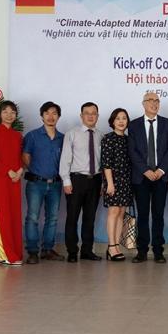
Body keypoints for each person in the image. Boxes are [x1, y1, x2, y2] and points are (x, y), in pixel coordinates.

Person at [128, 92, 168, 263]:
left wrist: (161, 170)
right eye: (150, 100)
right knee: (142, 215)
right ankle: (141, 251)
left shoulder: (167, 124)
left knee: (158, 215)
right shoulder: (133, 125)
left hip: (160, 177)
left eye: (157, 101)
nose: (154, 103)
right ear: (143, 104)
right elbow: (132, 151)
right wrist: (145, 170)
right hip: (141, 178)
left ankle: (158, 250)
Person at [59, 102, 104, 263]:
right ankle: (72, 251)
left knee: (90, 218)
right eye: (87, 113)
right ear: (81, 116)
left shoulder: (101, 135)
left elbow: (103, 162)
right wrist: (66, 180)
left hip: (96, 180)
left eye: (94, 113)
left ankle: (87, 250)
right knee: (72, 217)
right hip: (76, 180)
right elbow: (65, 158)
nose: (90, 116)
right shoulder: (72, 134)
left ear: (97, 116)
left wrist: (103, 183)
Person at [22, 101, 65, 264]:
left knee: (52, 218)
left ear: (58, 117)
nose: (50, 116)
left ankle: (47, 250)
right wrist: (36, 171)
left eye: (54, 113)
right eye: (47, 113)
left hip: (55, 184)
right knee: (32, 217)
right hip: (36, 183)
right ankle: (32, 252)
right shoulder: (32, 136)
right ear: (41, 116)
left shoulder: (62, 138)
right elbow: (25, 156)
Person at [0, 101, 24, 265]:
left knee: (14, 214)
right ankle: (3, 252)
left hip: (15, 179)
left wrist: (20, 171)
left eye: (12, 112)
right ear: (0, 114)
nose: (9, 115)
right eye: (5, 112)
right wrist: (8, 171)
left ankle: (14, 251)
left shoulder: (17, 135)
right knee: (2, 214)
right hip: (1, 178)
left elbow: (20, 157)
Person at [101, 108, 132, 262]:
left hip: (127, 181)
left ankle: (117, 246)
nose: (121, 121)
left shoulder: (128, 139)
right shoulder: (108, 138)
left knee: (121, 213)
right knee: (113, 212)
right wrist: (110, 184)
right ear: (112, 121)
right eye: (118, 118)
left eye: (124, 118)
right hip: (113, 181)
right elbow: (106, 164)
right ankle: (111, 246)